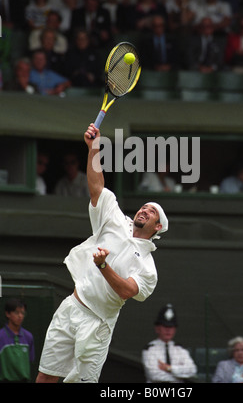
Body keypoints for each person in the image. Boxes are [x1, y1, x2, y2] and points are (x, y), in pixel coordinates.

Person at [36, 123, 168, 383]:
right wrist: (93, 147)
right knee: (45, 379)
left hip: (97, 326)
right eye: (143, 207)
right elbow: (97, 186)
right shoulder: (115, 219)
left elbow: (126, 291)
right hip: (71, 307)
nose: (144, 211)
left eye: (151, 212)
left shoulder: (149, 269)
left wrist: (104, 266)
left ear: (158, 226)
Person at [142, 304, 197, 383]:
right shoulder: (150, 349)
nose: (168, 330)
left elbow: (192, 370)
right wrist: (178, 377)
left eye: (171, 327)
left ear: (175, 329)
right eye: (165, 326)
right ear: (157, 328)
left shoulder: (179, 349)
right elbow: (154, 375)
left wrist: (169, 368)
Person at [0, 298, 35, 383]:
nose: (20, 316)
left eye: (22, 313)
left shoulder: (28, 336)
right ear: (8, 314)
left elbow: (31, 360)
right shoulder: (1, 336)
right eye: (16, 312)